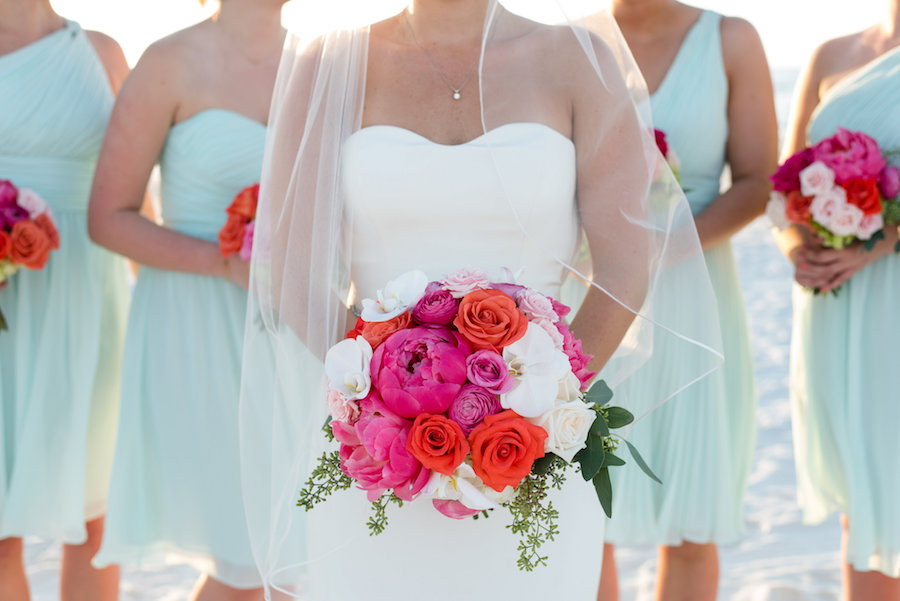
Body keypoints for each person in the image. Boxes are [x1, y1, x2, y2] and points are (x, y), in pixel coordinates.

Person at [238, 0, 723, 599]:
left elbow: (624, 267)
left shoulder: (581, 59)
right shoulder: (329, 64)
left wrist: (538, 404)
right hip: (374, 447)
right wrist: (382, 401)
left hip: (533, 449)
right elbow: (291, 265)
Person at [87, 0, 287, 599]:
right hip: (196, 323)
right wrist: (223, 264)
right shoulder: (167, 61)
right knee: (245, 559)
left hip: (291, 328)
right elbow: (109, 218)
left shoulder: (320, 63)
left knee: (289, 556)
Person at [600, 2, 776, 600]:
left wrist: (662, 248)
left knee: (692, 518)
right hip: (590, 291)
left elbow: (757, 181)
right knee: (582, 510)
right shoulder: (570, 40)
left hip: (694, 291)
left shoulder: (730, 39)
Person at [0, 1, 130, 599]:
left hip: (91, 306)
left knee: (97, 517)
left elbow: (131, 197)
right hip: (9, 307)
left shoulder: (102, 54)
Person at [776, 3, 900, 599]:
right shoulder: (833, 53)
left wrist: (878, 241)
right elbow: (783, 182)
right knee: (860, 492)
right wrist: (796, 245)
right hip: (832, 299)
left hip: (888, 290)